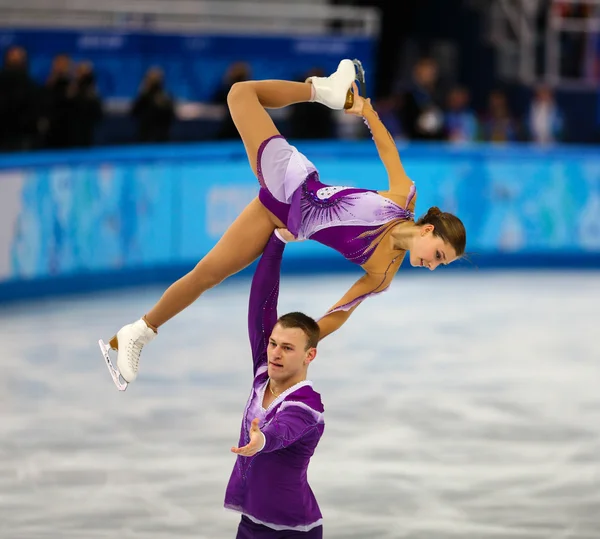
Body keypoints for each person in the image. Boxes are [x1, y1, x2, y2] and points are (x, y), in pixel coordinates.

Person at [101, 59, 466, 389]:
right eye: (437, 255)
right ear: (428, 230)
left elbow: (340, 313)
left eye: (439, 264)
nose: (431, 265)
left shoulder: (383, 271)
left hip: (276, 217)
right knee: (241, 93)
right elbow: (388, 150)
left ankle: (137, 332)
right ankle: (322, 91)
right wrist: (368, 112)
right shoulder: (403, 199)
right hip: (294, 183)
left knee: (206, 274)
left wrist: (305, 342)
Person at [226, 228, 324, 538]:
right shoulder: (262, 374)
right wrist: (277, 242)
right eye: (272, 344)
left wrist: (261, 441)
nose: (275, 353)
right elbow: (261, 306)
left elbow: (282, 432)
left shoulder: (307, 406)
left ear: (310, 355)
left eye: (287, 348)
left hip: (292, 531)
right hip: (250, 524)